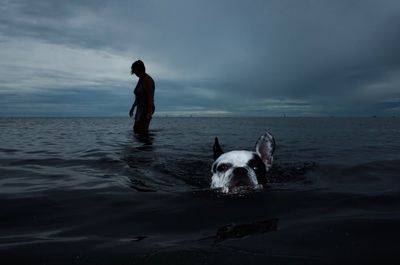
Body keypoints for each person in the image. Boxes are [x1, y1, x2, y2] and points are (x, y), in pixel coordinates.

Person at [129, 60, 155, 134]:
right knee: (136, 130)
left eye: (136, 71)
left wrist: (149, 114)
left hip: (146, 109)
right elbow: (138, 96)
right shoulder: (141, 79)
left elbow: (150, 98)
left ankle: (147, 145)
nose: (135, 74)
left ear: (142, 69)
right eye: (134, 72)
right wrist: (133, 107)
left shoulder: (148, 80)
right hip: (140, 108)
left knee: (142, 131)